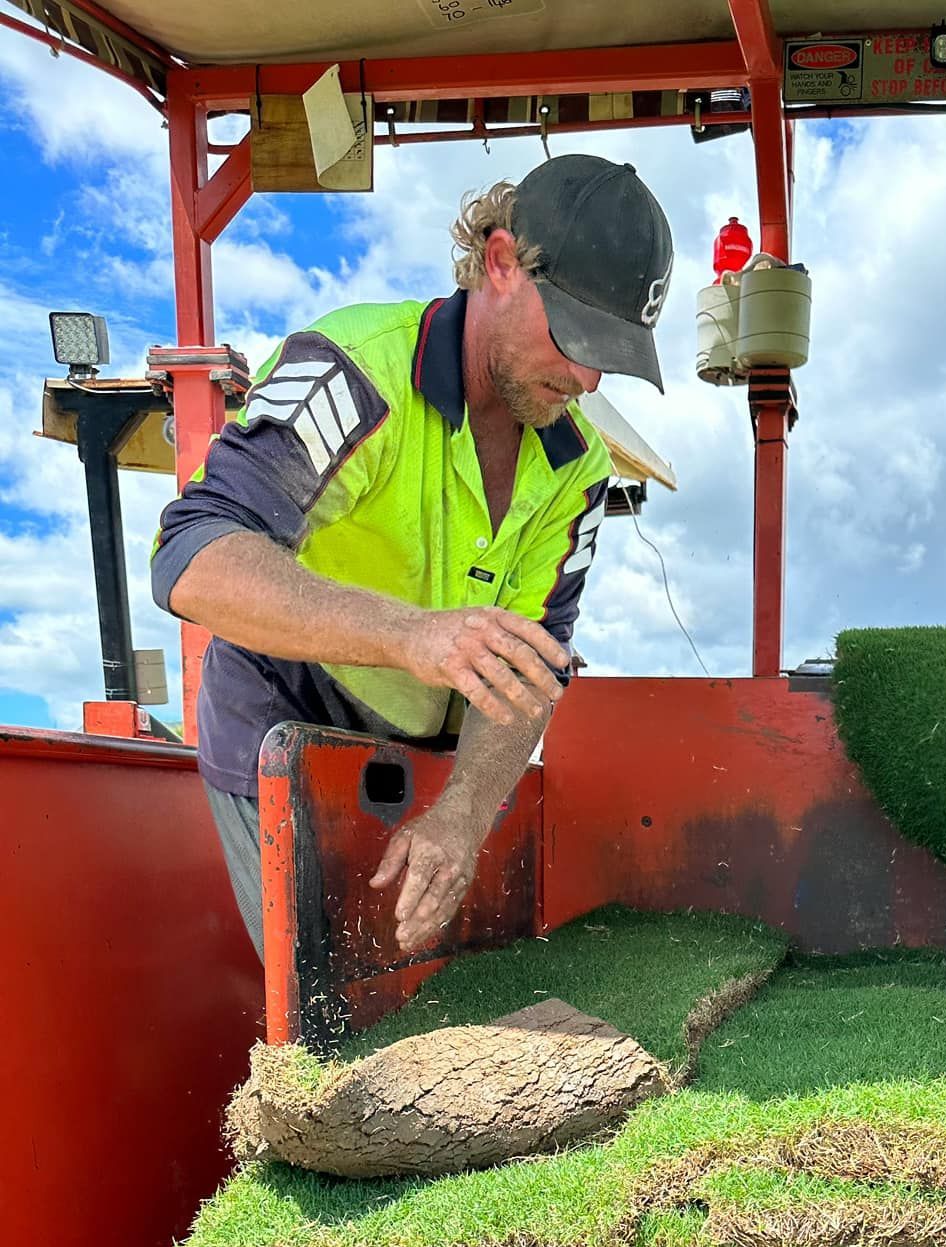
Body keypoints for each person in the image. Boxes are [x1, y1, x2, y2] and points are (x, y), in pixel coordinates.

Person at [152, 155, 674, 957]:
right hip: (284, 725)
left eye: (610, 353)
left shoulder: (578, 470)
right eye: (573, 336)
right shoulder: (359, 368)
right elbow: (195, 556)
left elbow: (528, 670)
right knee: (324, 1023)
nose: (586, 374)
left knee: (418, 1003)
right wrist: (415, 636)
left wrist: (463, 812)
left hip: (425, 759)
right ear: (501, 264)